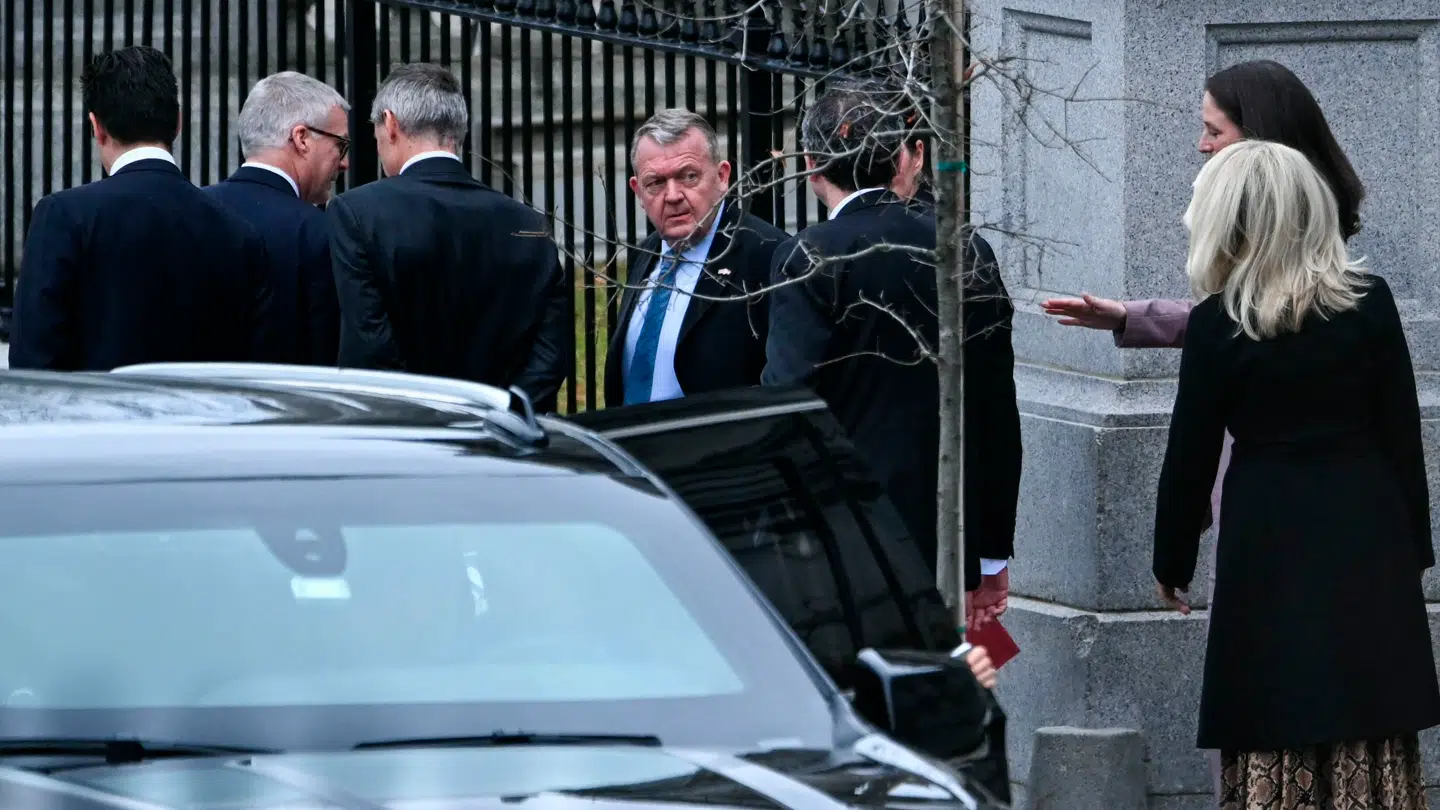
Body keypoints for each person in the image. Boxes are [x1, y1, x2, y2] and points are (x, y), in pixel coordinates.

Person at [1152, 139, 1437, 809]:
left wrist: (1172, 560)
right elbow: (1403, 434)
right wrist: (1415, 549)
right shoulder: (1368, 303)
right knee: (1365, 694)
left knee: (1274, 690)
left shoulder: (1218, 325)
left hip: (1268, 526)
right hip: (1364, 518)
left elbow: (1188, 455)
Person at [762, 81, 1022, 625]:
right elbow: (997, 412)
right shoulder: (964, 249)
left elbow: (788, 407)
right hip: (946, 531)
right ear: (907, 155)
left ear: (811, 166)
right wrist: (991, 551)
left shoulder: (809, 257)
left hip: (843, 534)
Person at [1040, 60, 1364, 348]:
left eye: (1214, 131)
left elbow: (1243, 321)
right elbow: (1238, 314)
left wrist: (1135, 318)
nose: (1202, 145)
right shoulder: (1363, 295)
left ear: (1258, 136)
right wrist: (1130, 317)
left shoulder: (1337, 293)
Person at [9, 46, 274, 370]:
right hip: (203, 418)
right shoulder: (238, 232)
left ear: (97, 127)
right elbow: (251, 366)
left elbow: (34, 362)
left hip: (93, 417)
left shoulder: (64, 216)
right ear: (177, 122)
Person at [327, 62, 568, 409]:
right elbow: (549, 356)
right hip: (501, 439)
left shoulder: (357, 213)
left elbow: (369, 347)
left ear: (391, 124)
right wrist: (502, 418)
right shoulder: (527, 222)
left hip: (407, 438)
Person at [603, 109, 787, 407]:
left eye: (688, 176)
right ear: (638, 191)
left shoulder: (769, 255)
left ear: (722, 176)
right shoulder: (645, 254)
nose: (673, 195)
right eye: (656, 183)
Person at [206, 71, 349, 366]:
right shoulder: (317, 231)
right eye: (340, 145)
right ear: (302, 138)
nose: (345, 162)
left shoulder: (189, 211)